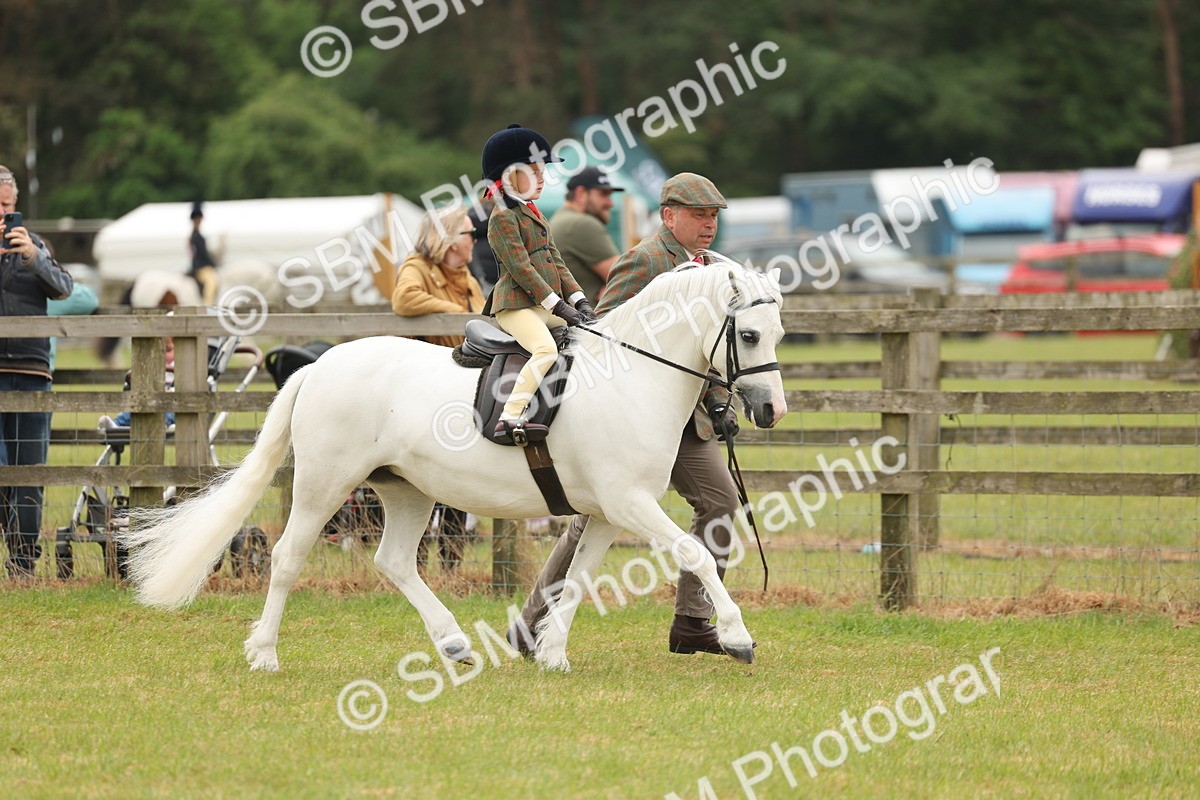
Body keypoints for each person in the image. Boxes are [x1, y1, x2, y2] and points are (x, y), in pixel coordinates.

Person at [509, 172, 743, 657]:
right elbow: (604, 333)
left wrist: (718, 398)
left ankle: (693, 621)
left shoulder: (715, 266)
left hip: (688, 418)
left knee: (719, 500)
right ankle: (532, 625)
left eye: (714, 216)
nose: (708, 224)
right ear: (668, 215)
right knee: (594, 516)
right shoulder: (645, 261)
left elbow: (715, 345)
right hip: (635, 418)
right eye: (699, 215)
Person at [480, 124, 597, 443]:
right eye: (533, 171)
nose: (543, 178)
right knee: (544, 349)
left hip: (540, 306)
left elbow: (556, 262)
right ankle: (509, 416)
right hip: (515, 306)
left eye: (542, 170)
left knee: (590, 336)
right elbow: (522, 269)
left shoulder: (534, 214)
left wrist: (579, 301)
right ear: (509, 176)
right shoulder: (503, 218)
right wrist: (557, 305)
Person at [391, 204, 486, 571]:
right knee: (418, 481)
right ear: (448, 240)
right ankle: (411, 563)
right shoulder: (417, 267)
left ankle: (451, 567)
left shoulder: (467, 276)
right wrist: (452, 313)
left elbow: (485, 319)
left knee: (457, 480)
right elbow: (404, 299)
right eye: (467, 233)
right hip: (426, 387)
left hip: (462, 383)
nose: (473, 239)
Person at [0, 165, 74, 578]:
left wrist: (33, 257)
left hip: (32, 371)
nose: (4, 214)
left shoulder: (35, 247)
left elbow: (65, 288)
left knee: (30, 471)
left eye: (8, 207)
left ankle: (23, 565)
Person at [549, 166, 624, 304]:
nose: (610, 203)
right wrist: (613, 286)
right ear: (581, 193)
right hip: (592, 321)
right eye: (604, 194)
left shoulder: (560, 219)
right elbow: (628, 278)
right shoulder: (582, 224)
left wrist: (610, 285)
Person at [189, 201, 219, 306]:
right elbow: (202, 254)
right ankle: (207, 305)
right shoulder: (196, 236)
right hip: (201, 267)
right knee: (212, 283)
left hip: (201, 265)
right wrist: (213, 263)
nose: (198, 220)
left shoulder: (195, 236)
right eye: (196, 218)